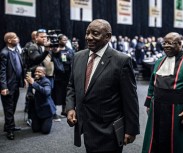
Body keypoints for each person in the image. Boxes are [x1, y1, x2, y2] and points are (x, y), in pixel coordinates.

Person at [66, 19, 140, 153]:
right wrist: (70, 107)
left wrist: (131, 129)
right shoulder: (78, 56)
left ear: (108, 37)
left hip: (108, 130)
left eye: (95, 33)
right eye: (87, 33)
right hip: (85, 125)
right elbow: (72, 86)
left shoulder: (121, 61)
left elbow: (130, 99)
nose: (89, 37)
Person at [142, 32, 183, 153]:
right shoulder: (159, 61)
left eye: (170, 43)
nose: (166, 46)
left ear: (180, 44)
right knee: (155, 140)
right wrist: (149, 103)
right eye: (164, 43)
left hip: (178, 108)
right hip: (158, 107)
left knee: (178, 143)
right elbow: (152, 84)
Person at [0, 32, 25, 140]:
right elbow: (2, 72)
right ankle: (10, 130)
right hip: (8, 86)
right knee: (8, 108)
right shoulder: (4, 53)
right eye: (15, 37)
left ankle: (9, 126)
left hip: (16, 84)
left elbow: (19, 67)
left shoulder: (16, 51)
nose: (17, 38)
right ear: (9, 40)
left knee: (13, 106)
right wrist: (4, 87)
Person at [25, 66, 56, 134]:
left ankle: (49, 119)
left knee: (45, 131)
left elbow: (46, 92)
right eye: (36, 71)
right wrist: (29, 95)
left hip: (46, 110)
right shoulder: (33, 80)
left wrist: (33, 83)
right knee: (35, 130)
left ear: (44, 73)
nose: (36, 73)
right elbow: (29, 92)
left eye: (39, 72)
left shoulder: (46, 81)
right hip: (36, 109)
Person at [52, 34, 74, 117]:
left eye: (66, 40)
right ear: (59, 40)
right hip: (58, 75)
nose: (65, 41)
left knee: (66, 92)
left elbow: (72, 59)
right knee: (57, 93)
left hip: (67, 75)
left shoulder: (69, 50)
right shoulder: (55, 50)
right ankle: (55, 111)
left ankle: (65, 110)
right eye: (63, 39)